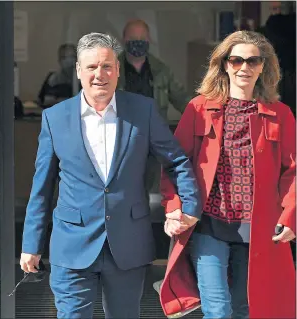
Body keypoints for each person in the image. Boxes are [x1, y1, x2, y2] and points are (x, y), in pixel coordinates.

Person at [20, 32, 201, 318]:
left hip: (128, 244)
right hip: (72, 245)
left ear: (117, 70)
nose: (99, 75)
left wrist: (189, 207)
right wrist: (32, 244)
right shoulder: (55, 118)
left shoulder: (143, 111)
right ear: (79, 71)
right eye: (91, 67)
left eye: (106, 66)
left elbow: (176, 161)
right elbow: (41, 187)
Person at [159, 30, 296, 319]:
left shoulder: (280, 114)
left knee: (246, 308)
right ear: (224, 64)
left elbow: (292, 172)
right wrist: (173, 208)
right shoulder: (198, 108)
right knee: (217, 310)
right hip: (209, 224)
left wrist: (290, 217)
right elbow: (175, 164)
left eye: (253, 61)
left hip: (257, 230)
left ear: (263, 66)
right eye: (236, 60)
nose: (244, 68)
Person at [118, 19, 191, 193]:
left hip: (153, 140)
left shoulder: (161, 70)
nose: (137, 42)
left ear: (149, 39)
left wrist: (206, 117)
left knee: (151, 189)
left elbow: (182, 100)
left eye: (141, 37)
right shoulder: (112, 69)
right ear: (123, 40)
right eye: (132, 37)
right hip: (121, 139)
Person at [38, 43, 82, 109]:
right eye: (64, 57)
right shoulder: (52, 79)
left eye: (72, 57)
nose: (69, 61)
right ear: (59, 60)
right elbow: (42, 100)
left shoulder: (83, 80)